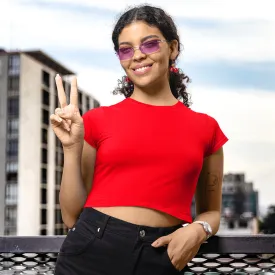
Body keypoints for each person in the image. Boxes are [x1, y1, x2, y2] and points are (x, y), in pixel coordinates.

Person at [51, 5, 228, 275]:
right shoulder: (97, 120)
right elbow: (71, 216)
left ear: (173, 48)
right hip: (89, 252)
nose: (137, 56)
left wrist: (198, 229)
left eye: (149, 44)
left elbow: (211, 212)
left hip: (162, 255)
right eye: (126, 49)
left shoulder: (207, 128)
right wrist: (71, 148)